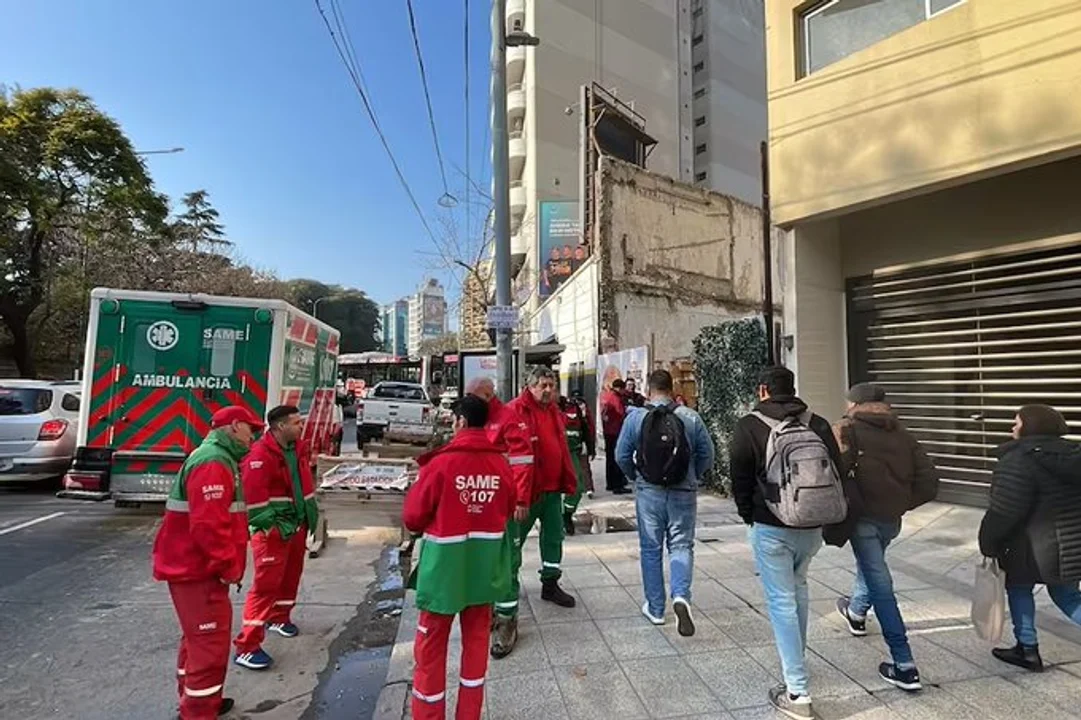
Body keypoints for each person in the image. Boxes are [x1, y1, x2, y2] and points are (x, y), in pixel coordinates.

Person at [730, 367, 843, 720]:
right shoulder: (818, 423)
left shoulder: (749, 425)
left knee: (781, 602)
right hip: (811, 526)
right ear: (793, 389)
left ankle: (797, 691)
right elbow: (837, 470)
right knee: (800, 589)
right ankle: (798, 662)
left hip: (771, 524)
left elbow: (740, 476)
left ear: (763, 390)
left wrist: (748, 514)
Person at [402, 396, 516, 720]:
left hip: (443, 574)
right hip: (483, 573)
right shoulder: (501, 464)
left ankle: (428, 716)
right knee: (476, 648)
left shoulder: (440, 464)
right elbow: (509, 507)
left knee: (430, 649)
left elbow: (413, 517)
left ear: (461, 422)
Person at [152, 406, 261, 720]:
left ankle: (196, 700)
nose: (252, 438)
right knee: (209, 646)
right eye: (250, 430)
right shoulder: (213, 462)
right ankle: (198, 711)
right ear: (235, 425)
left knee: (197, 639)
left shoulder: (216, 457)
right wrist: (228, 567)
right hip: (199, 572)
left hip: (194, 570)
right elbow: (209, 527)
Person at [831, 383, 938, 692]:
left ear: (854, 404)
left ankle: (904, 665)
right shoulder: (902, 433)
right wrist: (901, 503)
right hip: (891, 520)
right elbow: (930, 482)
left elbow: (836, 472)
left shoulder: (847, 431)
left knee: (881, 584)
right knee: (872, 566)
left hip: (863, 518)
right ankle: (856, 613)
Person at [979, 404, 1081, 672]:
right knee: (1068, 596)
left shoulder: (1018, 459)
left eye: (1017, 423)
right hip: (1071, 542)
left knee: (1019, 588)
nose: (1013, 428)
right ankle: (1026, 648)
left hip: (1028, 544)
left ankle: (1028, 649)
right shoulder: (1074, 454)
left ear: (1030, 427)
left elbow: (1005, 509)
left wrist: (988, 541)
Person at [616, 370, 715, 636]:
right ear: (671, 389)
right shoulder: (690, 417)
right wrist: (693, 475)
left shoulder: (636, 418)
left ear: (649, 390)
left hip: (649, 492)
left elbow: (621, 455)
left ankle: (656, 609)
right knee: (681, 545)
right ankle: (681, 596)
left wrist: (636, 477)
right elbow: (708, 455)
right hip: (683, 491)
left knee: (651, 549)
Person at [490, 367, 579, 657]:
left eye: (552, 385)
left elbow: (561, 448)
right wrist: (517, 497)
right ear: (530, 386)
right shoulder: (512, 412)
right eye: (543, 385)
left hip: (551, 491)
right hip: (522, 499)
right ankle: (505, 615)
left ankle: (550, 584)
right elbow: (505, 457)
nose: (548, 390)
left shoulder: (554, 410)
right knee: (511, 553)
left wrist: (568, 481)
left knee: (553, 540)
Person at [233, 405, 319, 671]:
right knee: (265, 585)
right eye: (296, 423)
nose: (301, 426)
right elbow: (255, 502)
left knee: (291, 575)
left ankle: (279, 617)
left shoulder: (296, 450)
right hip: (273, 531)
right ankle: (247, 646)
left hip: (295, 525)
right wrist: (271, 527)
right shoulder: (260, 455)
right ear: (280, 426)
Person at [464, 376, 535, 654]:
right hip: (480, 504)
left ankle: (508, 620)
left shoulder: (508, 419)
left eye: (473, 395)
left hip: (504, 504)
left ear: (487, 393)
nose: (468, 399)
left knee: (507, 563)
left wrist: (520, 500)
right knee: (485, 560)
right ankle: (490, 611)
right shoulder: (473, 417)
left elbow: (523, 461)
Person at [559, 390, 596, 535]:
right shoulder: (546, 409)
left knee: (577, 487)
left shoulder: (573, 407)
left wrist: (590, 447)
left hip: (573, 452)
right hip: (553, 453)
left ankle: (567, 514)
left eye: (552, 386)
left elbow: (585, 427)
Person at [601, 379, 630, 494]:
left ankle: (610, 483)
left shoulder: (606, 396)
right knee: (617, 458)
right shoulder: (615, 398)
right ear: (620, 388)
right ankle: (617, 485)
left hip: (607, 431)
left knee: (609, 459)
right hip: (615, 431)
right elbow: (620, 414)